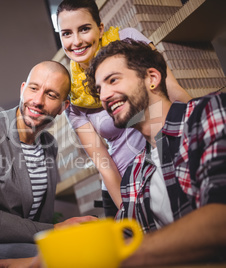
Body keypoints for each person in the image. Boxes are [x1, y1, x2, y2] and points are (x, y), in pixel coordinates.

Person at [0, 39, 226, 268]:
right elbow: (123, 238)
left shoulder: (210, 112)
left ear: (152, 78)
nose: (103, 96)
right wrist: (35, 262)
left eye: (113, 80)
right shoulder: (135, 174)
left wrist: (113, 256)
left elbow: (220, 221)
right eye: (99, 89)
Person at [56, 0, 192, 217]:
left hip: (169, 152)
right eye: (66, 33)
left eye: (84, 29)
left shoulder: (127, 40)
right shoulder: (74, 97)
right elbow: (104, 164)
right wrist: (130, 211)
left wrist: (201, 125)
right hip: (127, 181)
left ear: (100, 29)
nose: (77, 41)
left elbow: (173, 90)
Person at [0, 61, 95, 261]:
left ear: (63, 107)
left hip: (28, 248)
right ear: (23, 89)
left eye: (51, 95)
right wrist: (55, 230)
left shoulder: (49, 145)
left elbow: (40, 217)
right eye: (34, 88)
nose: (38, 100)